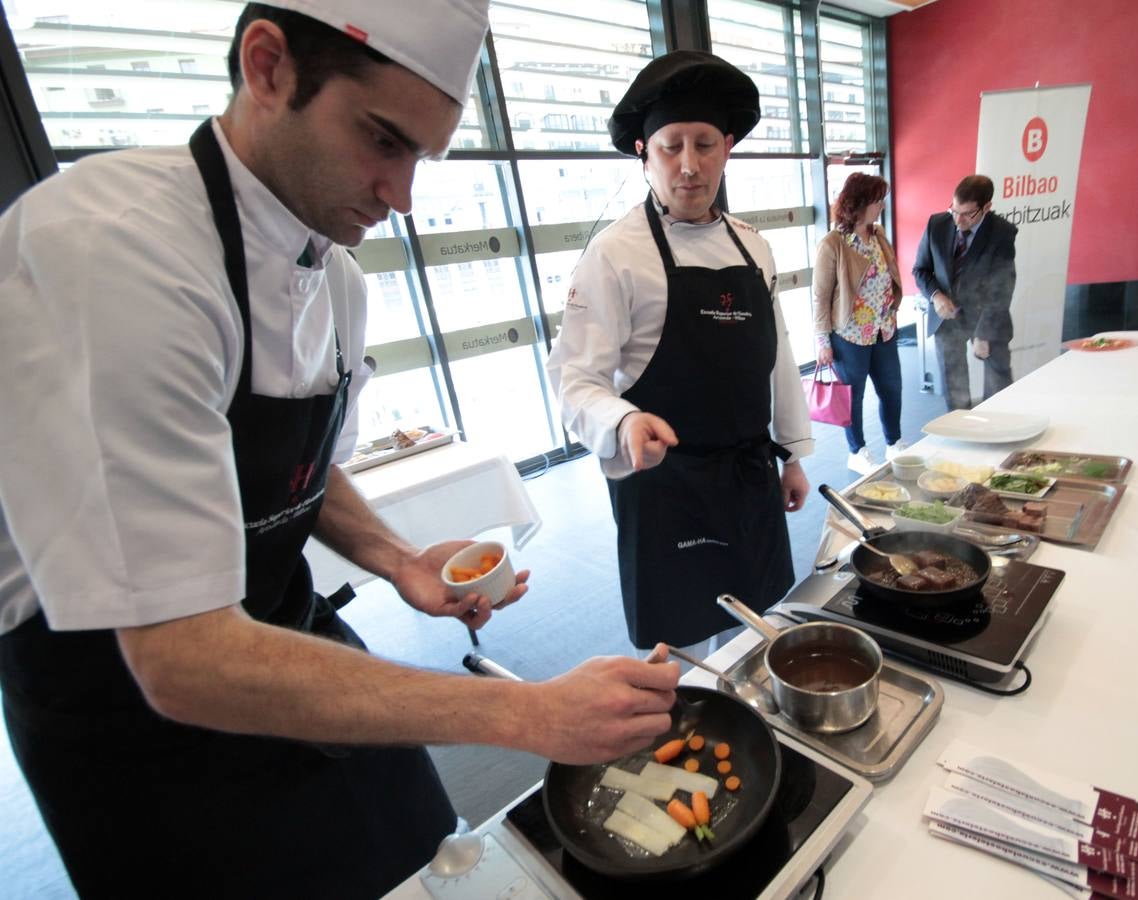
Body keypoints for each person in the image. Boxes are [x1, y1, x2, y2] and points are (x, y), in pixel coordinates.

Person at [0, 3, 679, 897]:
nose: (401, 197)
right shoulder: (113, 252)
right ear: (269, 65)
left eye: (422, 160)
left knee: (427, 860)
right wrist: (530, 712)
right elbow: (182, 658)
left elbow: (294, 472)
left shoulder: (338, 278)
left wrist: (397, 559)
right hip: (129, 708)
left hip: (288, 635)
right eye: (383, 140)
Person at [545, 50, 813, 653]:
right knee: (681, 653)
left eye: (704, 144)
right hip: (664, 485)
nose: (688, 166)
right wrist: (624, 419)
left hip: (747, 474)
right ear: (645, 153)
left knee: (754, 629)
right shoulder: (614, 254)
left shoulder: (754, 247)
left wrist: (792, 455)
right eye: (671, 146)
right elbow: (574, 380)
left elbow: (778, 356)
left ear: (727, 148)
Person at [812, 172, 907, 475]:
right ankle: (857, 451)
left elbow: (890, 274)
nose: (881, 206)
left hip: (884, 328)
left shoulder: (878, 235)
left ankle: (894, 442)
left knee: (891, 387)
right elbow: (821, 296)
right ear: (859, 203)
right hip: (850, 334)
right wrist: (823, 342)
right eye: (877, 201)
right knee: (853, 396)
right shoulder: (833, 244)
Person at [912, 174, 1018, 410]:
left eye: (967, 214)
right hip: (947, 318)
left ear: (986, 207)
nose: (958, 220)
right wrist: (936, 296)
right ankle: (962, 432)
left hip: (986, 317)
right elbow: (921, 270)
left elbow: (1002, 288)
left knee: (999, 383)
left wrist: (984, 333)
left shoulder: (1002, 233)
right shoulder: (937, 225)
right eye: (954, 210)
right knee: (954, 386)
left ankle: (998, 430)